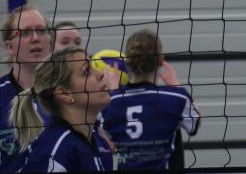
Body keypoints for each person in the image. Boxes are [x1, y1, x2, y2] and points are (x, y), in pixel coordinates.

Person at [99, 29, 200, 169]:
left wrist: (113, 92)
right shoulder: (176, 97)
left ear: (127, 63)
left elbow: (106, 140)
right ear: (160, 62)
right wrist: (177, 86)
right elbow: (194, 125)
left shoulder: (110, 102)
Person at [10, 46, 113, 172]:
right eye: (87, 72)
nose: (101, 74)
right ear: (64, 94)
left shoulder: (102, 145)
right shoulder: (55, 153)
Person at [0, 5, 52, 169]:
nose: (35, 38)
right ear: (9, 47)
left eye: (41, 31)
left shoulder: (69, 93)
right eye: (26, 32)